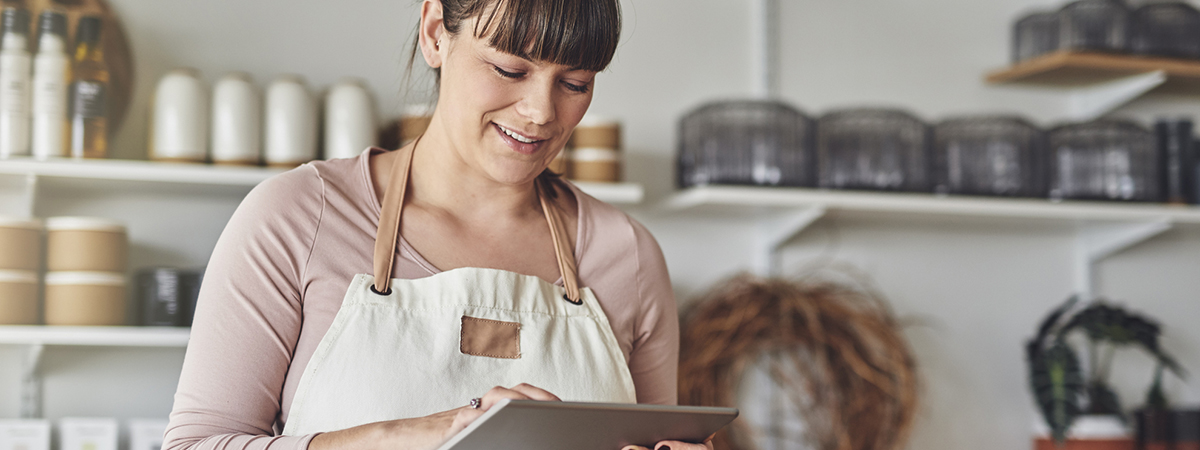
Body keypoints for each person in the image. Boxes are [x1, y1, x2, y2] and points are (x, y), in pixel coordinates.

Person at [164, 0, 705, 449]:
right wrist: (412, 435)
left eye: (576, 83)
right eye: (509, 69)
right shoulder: (298, 217)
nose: (541, 111)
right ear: (434, 35)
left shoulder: (627, 256)